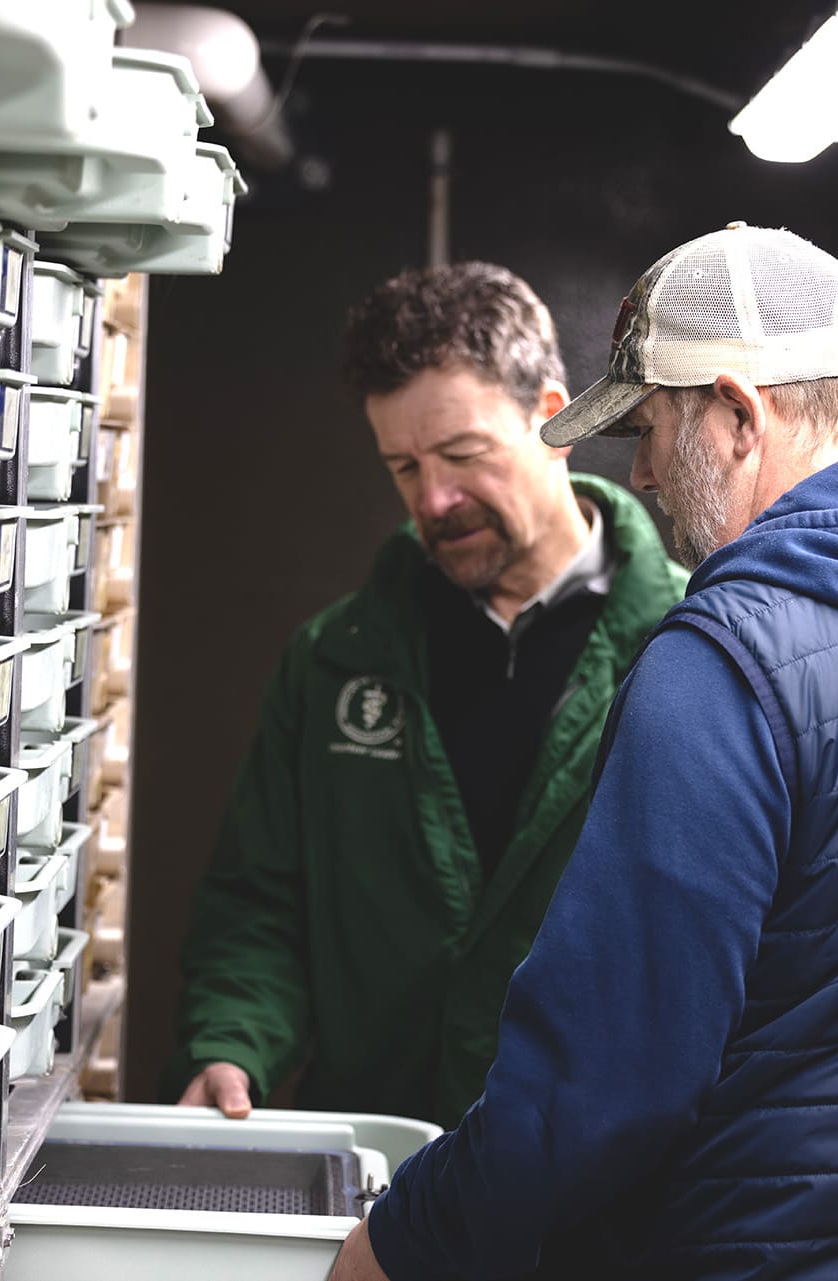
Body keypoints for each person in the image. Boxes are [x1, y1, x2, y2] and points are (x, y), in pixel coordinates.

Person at [332, 225, 838, 1280]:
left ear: (737, 414)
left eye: (647, 427)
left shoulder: (721, 669)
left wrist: (403, 1242)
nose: (635, 472)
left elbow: (605, 1083)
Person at [168, 262, 689, 1129]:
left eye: (461, 454)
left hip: (586, 1188)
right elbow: (260, 900)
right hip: (377, 1166)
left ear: (554, 418)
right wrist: (232, 1040)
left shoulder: (689, 649)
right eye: (403, 466)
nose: (434, 499)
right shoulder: (336, 661)